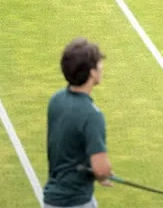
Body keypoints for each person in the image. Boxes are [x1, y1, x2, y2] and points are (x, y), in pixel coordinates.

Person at [43, 38, 112, 208]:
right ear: (91, 72)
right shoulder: (92, 115)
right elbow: (101, 168)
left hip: (52, 199)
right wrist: (103, 174)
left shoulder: (56, 100)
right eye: (99, 64)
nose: (102, 67)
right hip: (76, 201)